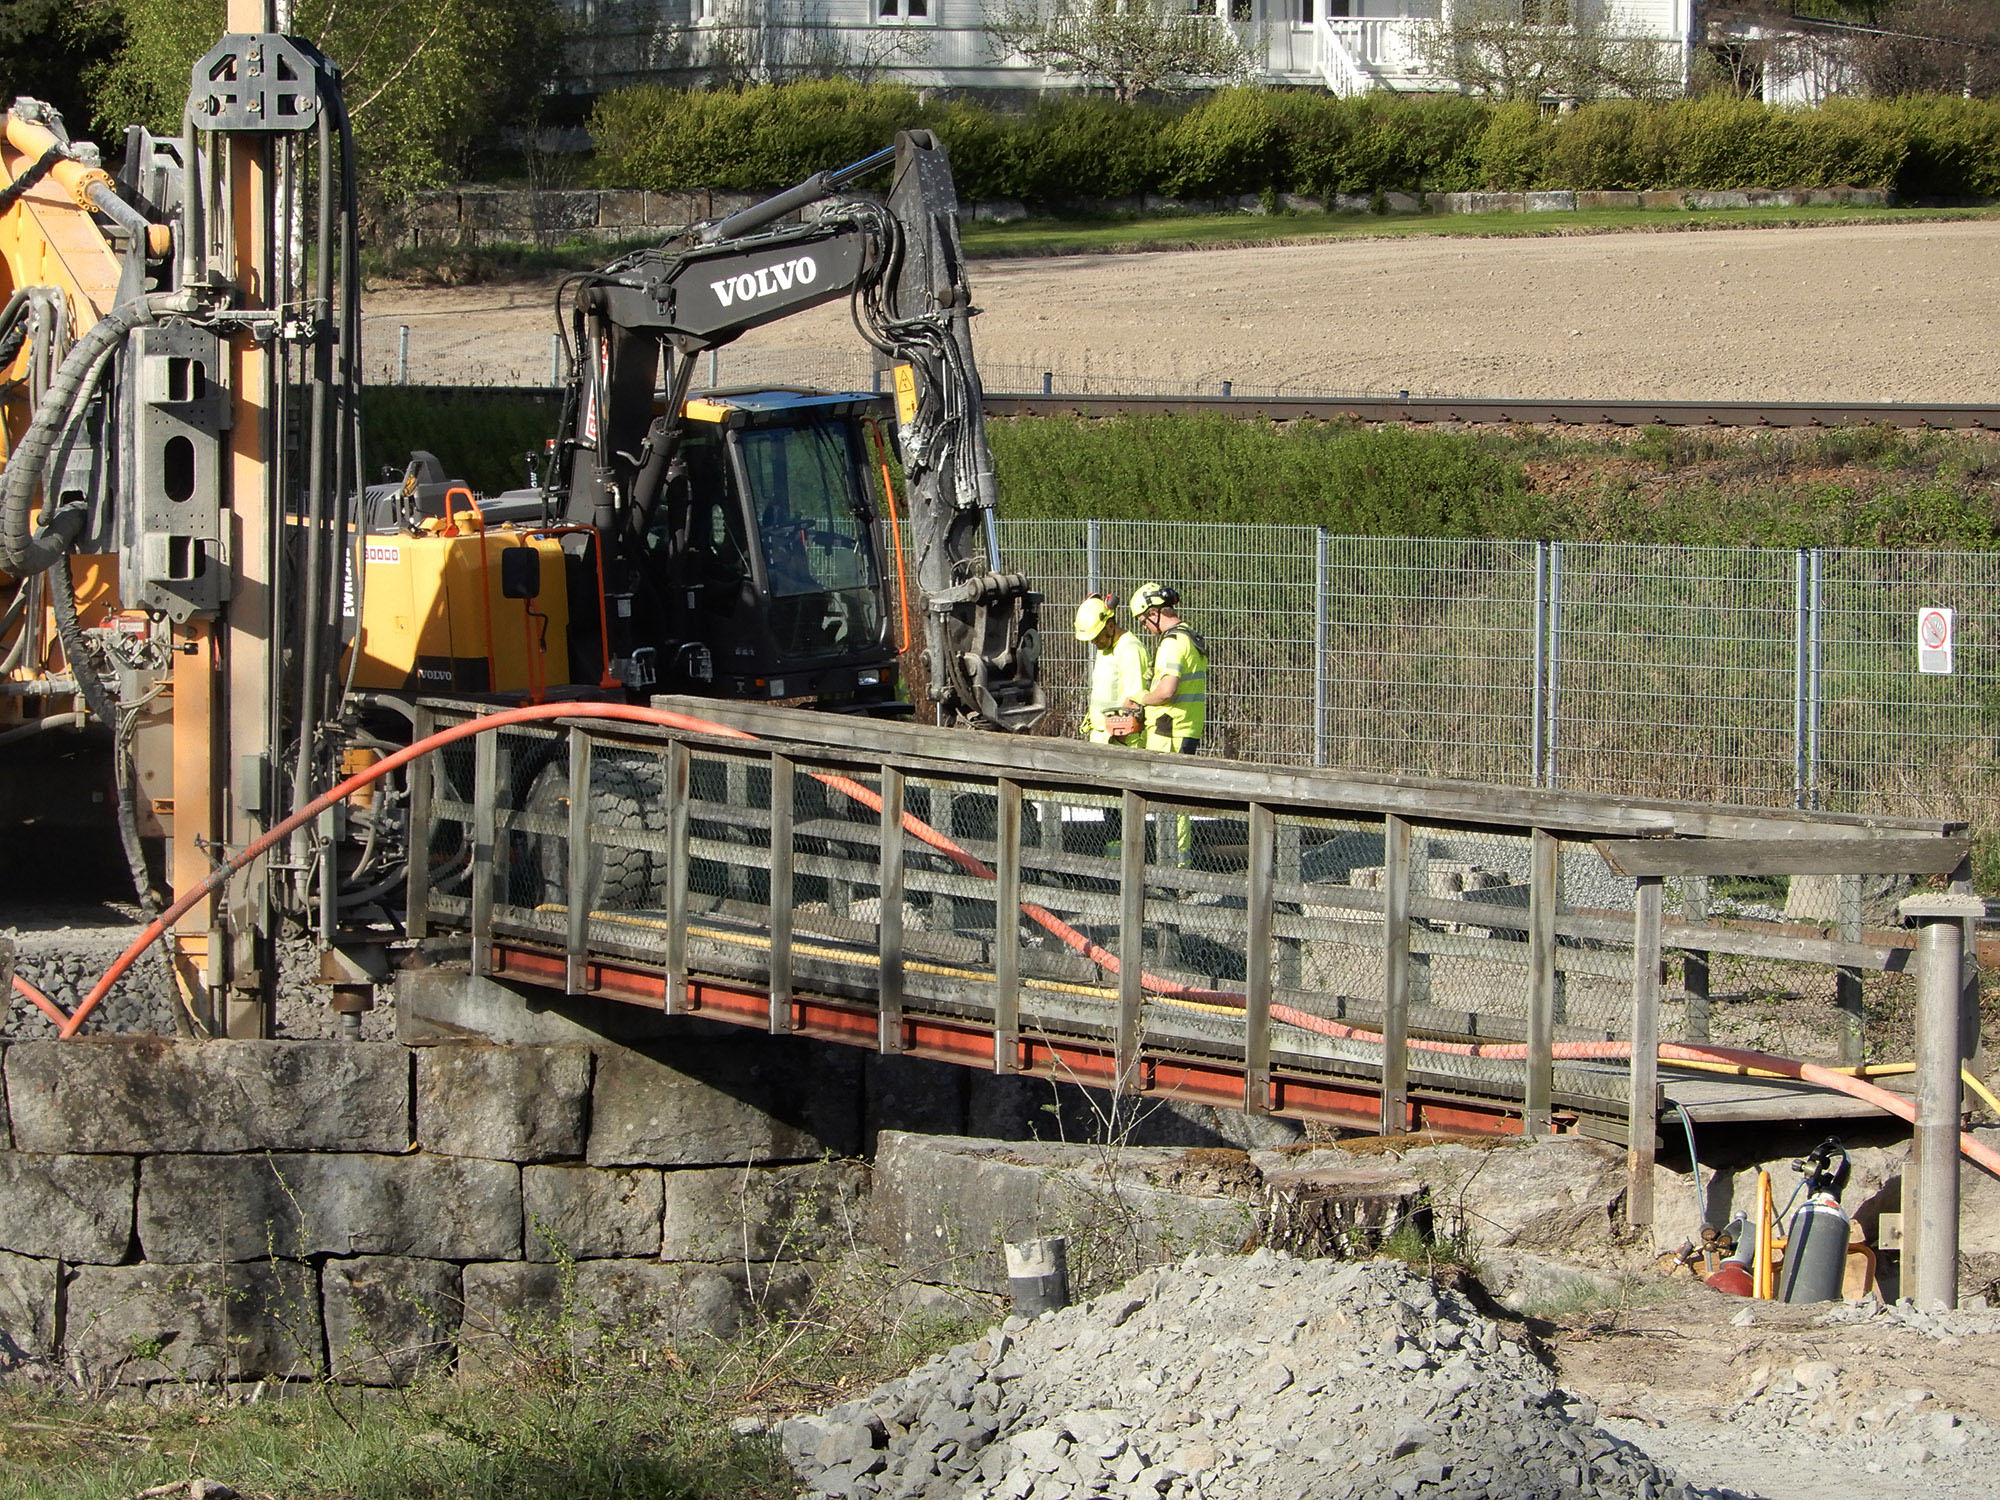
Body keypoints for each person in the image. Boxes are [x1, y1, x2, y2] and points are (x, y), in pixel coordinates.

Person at [1123, 582, 1207, 755]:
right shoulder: (1188, 636)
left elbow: (1166, 691)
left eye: (1143, 622)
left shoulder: (1172, 643)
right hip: (1185, 728)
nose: (1145, 627)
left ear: (1154, 613)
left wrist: (1141, 699)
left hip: (1168, 732)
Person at [1074, 593, 1148, 747]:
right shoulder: (1106, 647)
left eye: (1097, 636)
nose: (1094, 642)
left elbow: (1136, 699)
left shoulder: (1130, 649)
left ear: (1110, 625)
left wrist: (1120, 738)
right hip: (1103, 736)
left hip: (1120, 739)